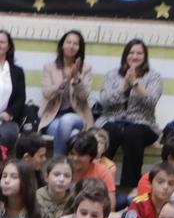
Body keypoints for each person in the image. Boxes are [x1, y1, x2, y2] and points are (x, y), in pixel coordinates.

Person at [95, 38, 163, 193]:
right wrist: (124, 85)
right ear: (125, 55)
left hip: (143, 123)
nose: (135, 56)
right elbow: (105, 101)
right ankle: (100, 183)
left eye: (139, 53)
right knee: (109, 132)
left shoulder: (154, 76)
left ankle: (129, 187)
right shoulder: (112, 75)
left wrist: (135, 84)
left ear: (145, 56)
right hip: (112, 119)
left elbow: (152, 101)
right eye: (131, 52)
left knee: (132, 133)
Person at [39, 28, 92, 154]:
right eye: (68, 42)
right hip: (54, 118)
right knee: (73, 134)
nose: (71, 46)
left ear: (80, 48)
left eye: (75, 43)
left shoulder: (85, 69)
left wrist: (77, 79)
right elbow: (46, 94)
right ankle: (67, 168)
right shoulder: (50, 67)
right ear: (62, 45)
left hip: (78, 117)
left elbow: (84, 97)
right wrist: (62, 84)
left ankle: (57, 162)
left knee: (67, 119)